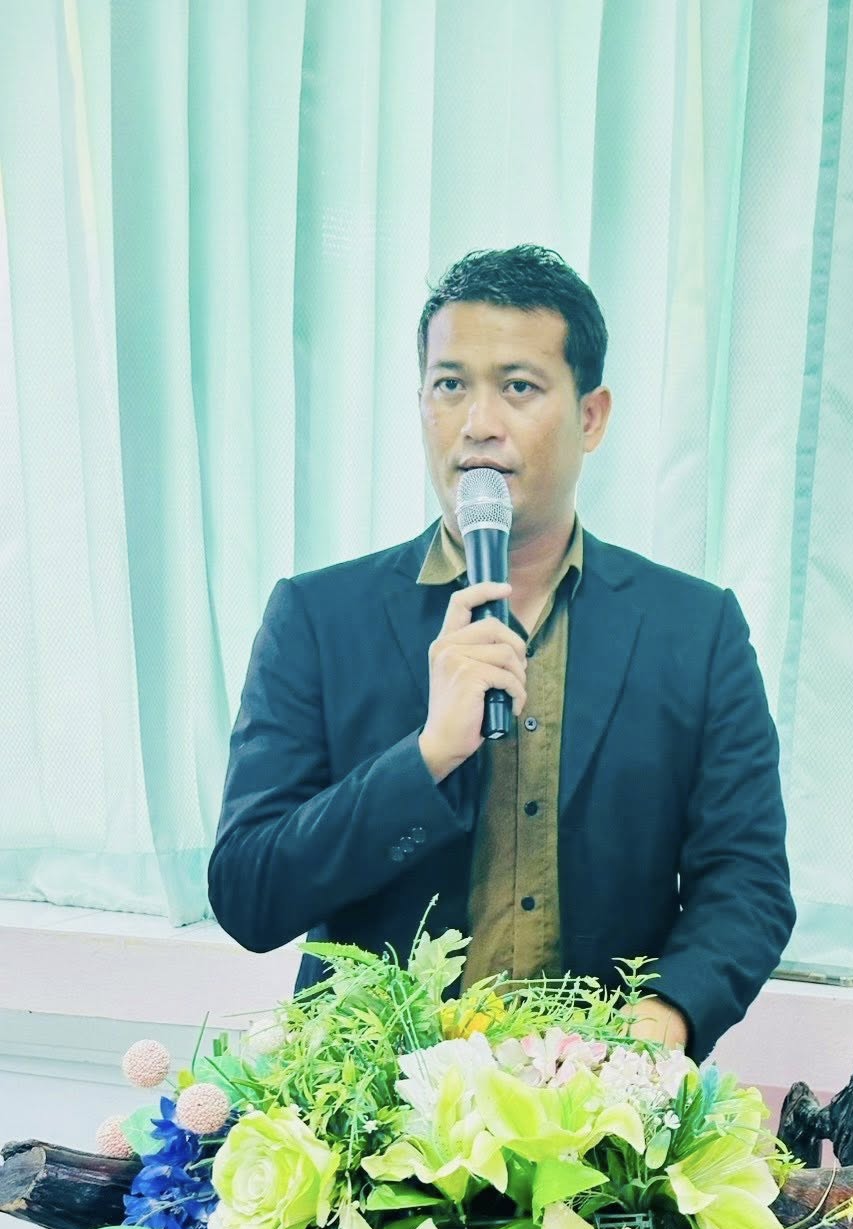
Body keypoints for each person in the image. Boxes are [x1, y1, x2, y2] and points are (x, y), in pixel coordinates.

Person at [208, 244, 794, 1062]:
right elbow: (249, 891)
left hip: (596, 1104)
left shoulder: (695, 631)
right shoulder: (317, 617)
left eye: (518, 387)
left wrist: (664, 1019)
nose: (478, 422)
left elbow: (748, 882)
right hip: (370, 1109)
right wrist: (425, 756)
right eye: (450, 385)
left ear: (591, 417)